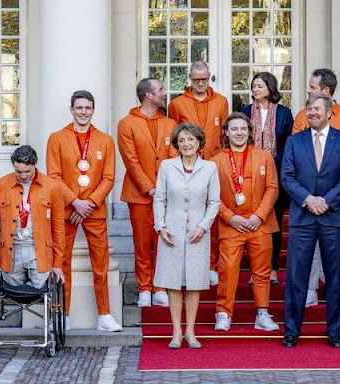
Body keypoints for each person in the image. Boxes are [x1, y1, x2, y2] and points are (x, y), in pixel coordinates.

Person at [281, 95, 340, 348]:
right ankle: (292, 331)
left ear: (329, 112)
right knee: (296, 276)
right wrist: (308, 199)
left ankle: (334, 332)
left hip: (334, 217)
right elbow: (287, 177)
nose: (312, 112)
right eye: (309, 108)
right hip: (303, 217)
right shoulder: (294, 141)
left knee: (334, 277)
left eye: (317, 109)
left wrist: (325, 200)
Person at [46, 90, 121, 332]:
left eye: (87, 108)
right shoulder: (57, 138)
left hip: (94, 210)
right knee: (62, 261)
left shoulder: (105, 140)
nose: (83, 112)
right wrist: (75, 202)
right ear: (71, 110)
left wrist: (87, 203)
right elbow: (54, 176)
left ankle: (105, 315)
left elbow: (109, 178)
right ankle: (63, 314)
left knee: (101, 264)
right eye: (79, 108)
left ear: (93, 110)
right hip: (66, 209)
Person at [293, 69, 340, 308]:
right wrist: (310, 197)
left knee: (334, 254)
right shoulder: (303, 115)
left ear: (326, 91)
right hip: (307, 196)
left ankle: (335, 291)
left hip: (336, 199)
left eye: (312, 87)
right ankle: (310, 288)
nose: (308, 91)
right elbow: (298, 151)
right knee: (308, 252)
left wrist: (328, 199)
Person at [153, 123, 220, 349]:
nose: (186, 144)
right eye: (182, 140)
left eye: (191, 139)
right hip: (171, 232)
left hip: (197, 234)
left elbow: (214, 202)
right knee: (172, 282)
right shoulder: (167, 166)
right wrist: (160, 226)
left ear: (199, 143)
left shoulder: (209, 168)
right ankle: (175, 332)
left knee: (193, 282)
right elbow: (159, 199)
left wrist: (204, 226)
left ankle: (190, 332)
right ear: (177, 145)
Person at [211, 112, 280, 332]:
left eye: (243, 129)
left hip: (259, 222)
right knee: (228, 269)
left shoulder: (264, 156)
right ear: (226, 132)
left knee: (262, 270)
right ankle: (223, 313)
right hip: (232, 223)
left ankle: (262, 313)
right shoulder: (216, 161)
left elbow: (272, 188)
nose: (239, 133)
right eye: (234, 129)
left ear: (249, 131)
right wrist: (230, 217)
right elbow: (212, 195)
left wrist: (259, 215)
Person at [168, 60, 229, 286]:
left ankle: (211, 265)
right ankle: (185, 266)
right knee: (187, 215)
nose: (201, 83)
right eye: (196, 80)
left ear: (210, 77)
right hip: (186, 166)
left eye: (204, 79)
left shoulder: (222, 101)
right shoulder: (177, 103)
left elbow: (225, 134)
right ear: (189, 78)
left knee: (211, 214)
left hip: (213, 165)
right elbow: (174, 135)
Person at [118, 77, 177, 308]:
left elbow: (174, 156)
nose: (164, 93)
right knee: (142, 243)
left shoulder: (170, 123)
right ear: (148, 95)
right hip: (139, 194)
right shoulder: (127, 123)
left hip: (166, 194)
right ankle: (144, 287)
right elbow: (130, 161)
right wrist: (150, 188)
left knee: (162, 241)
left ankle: (160, 286)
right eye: (160, 90)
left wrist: (164, 188)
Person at [0, 145, 65, 290]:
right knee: (12, 294)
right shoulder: (1, 185)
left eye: (28, 171)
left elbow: (58, 228)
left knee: (41, 293)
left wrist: (57, 264)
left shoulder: (52, 186)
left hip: (40, 253)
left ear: (35, 164)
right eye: (18, 172)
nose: (24, 176)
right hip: (11, 252)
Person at [240, 71, 293, 286]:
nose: (255, 90)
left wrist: (271, 164)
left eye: (259, 86)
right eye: (253, 86)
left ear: (270, 88)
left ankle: (271, 269)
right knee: (254, 225)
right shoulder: (244, 112)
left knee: (274, 223)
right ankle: (256, 270)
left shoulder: (284, 113)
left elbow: (289, 144)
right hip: (249, 175)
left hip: (276, 174)